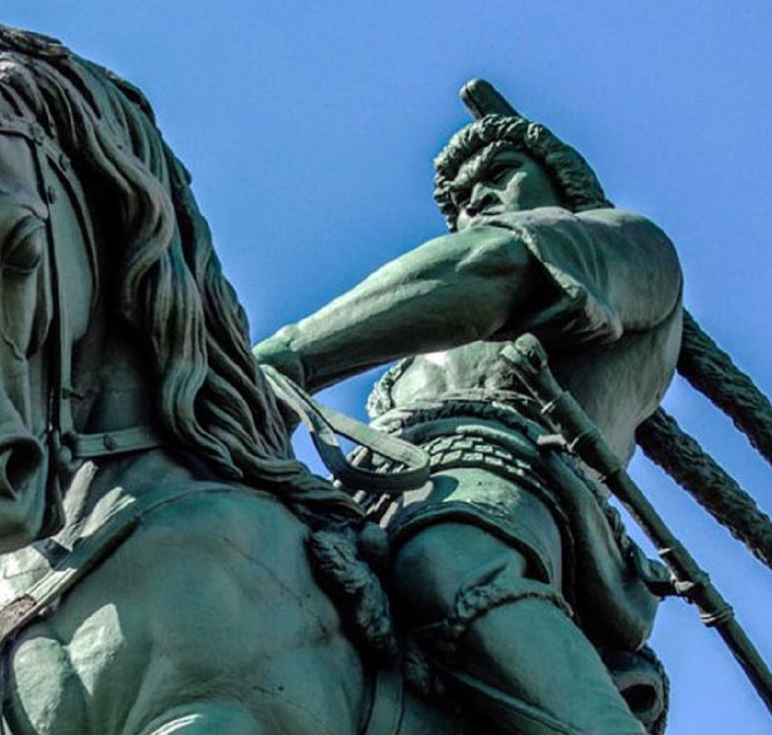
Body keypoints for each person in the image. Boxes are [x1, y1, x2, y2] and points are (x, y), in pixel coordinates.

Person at [255, 105, 677, 735]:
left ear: (567, 185)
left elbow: (490, 268)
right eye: (457, 197)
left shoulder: (629, 244)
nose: (476, 197)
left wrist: (283, 355)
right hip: (361, 499)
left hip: (510, 491)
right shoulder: (423, 353)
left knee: (446, 561)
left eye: (500, 172)